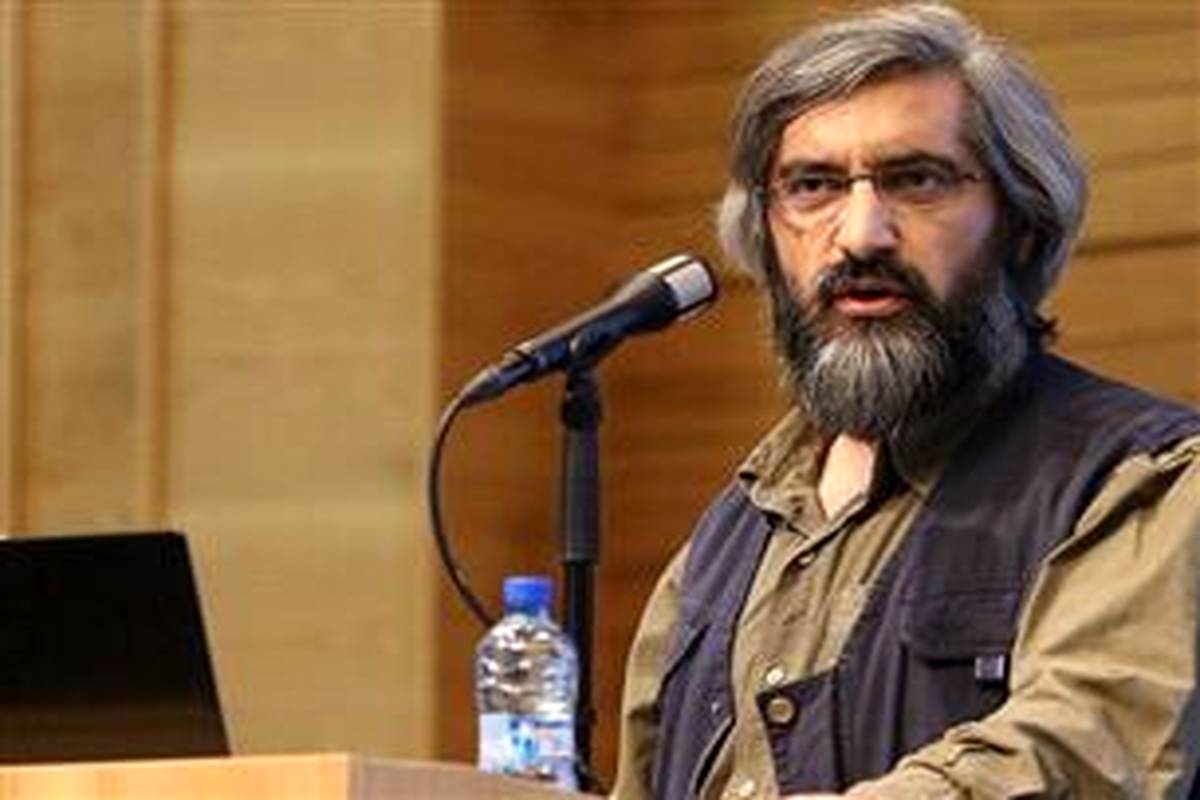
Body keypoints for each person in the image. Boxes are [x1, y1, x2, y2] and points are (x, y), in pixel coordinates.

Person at [612, 3, 1200, 799]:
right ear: (767, 236)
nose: (861, 234)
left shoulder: (1145, 479)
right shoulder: (722, 543)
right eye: (813, 186)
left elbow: (1076, 759)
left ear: (1023, 222)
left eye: (916, 180)